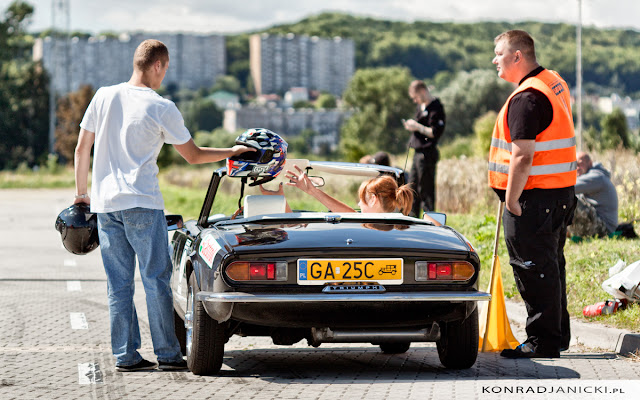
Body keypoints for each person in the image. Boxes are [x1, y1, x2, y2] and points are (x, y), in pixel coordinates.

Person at [73, 39, 253, 372]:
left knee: (119, 283)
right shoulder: (161, 106)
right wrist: (232, 152)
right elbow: (194, 155)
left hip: (105, 205)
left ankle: (125, 355)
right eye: (165, 69)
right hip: (142, 202)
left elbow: (82, 149)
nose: (164, 75)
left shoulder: (103, 95)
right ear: (158, 65)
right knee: (156, 278)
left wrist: (82, 195)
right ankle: (168, 355)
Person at [488, 30, 577, 359]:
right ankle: (557, 335)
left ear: (517, 57)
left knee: (534, 269)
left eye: (499, 53)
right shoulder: (553, 80)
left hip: (534, 199)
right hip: (560, 194)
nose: (494, 60)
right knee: (551, 266)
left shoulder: (526, 98)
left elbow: (523, 155)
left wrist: (511, 199)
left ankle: (542, 341)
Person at [403, 80, 446, 216]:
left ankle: (429, 219)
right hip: (417, 153)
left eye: (416, 97)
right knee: (412, 189)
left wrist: (417, 126)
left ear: (422, 91)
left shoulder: (436, 108)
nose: (415, 101)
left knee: (426, 190)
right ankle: (412, 218)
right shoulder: (420, 107)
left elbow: (434, 132)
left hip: (427, 154)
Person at [568, 152, 618, 238]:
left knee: (568, 198)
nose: (577, 168)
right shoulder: (595, 175)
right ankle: (564, 232)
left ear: (590, 163)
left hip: (604, 228)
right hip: (599, 223)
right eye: (575, 165)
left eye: (580, 164)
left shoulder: (596, 177)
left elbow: (569, 188)